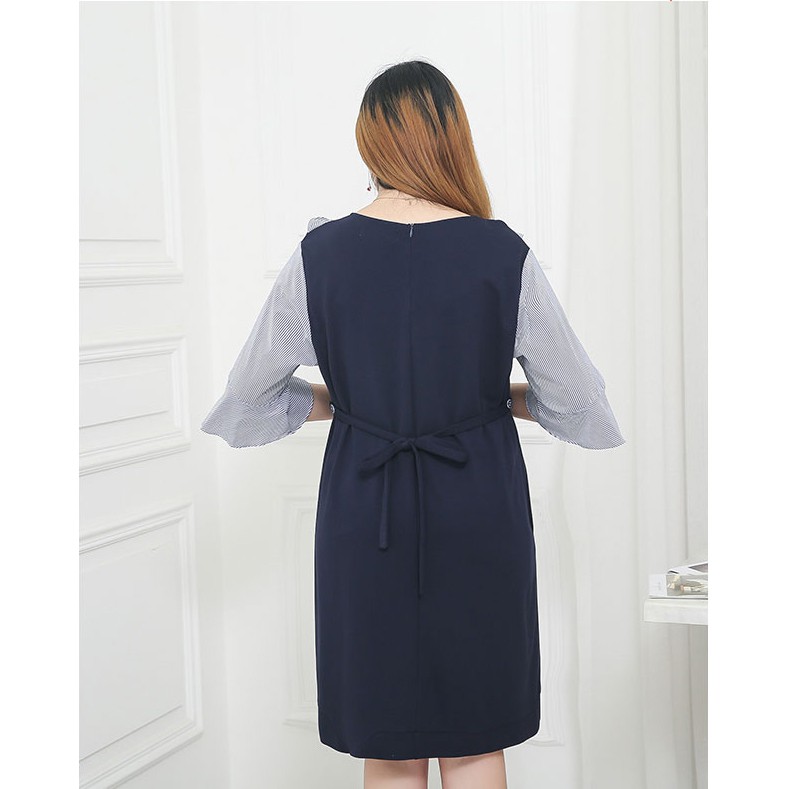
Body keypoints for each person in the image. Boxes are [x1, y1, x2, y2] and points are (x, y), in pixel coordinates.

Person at [201, 59, 625, 789]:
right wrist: (493, 397)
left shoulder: (319, 254)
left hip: (363, 506)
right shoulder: (502, 251)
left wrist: (346, 402)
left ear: (369, 141)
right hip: (478, 503)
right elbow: (579, 400)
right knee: (475, 737)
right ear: (452, 137)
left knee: (388, 740)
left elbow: (246, 398)